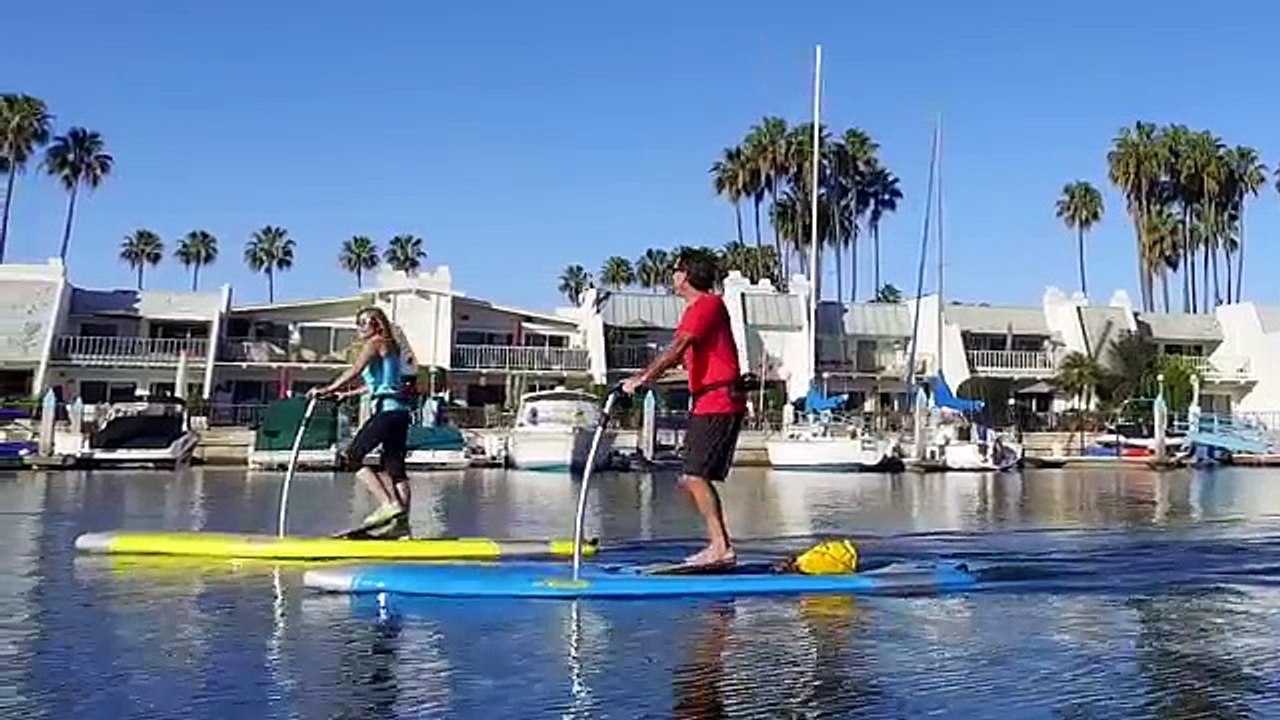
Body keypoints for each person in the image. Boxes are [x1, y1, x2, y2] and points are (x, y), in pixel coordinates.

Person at [622, 252, 746, 568]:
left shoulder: (707, 306)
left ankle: (721, 547)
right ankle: (719, 544)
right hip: (707, 399)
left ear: (686, 275)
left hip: (719, 399)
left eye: (675, 271)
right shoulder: (697, 311)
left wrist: (643, 377)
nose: (672, 276)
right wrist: (647, 380)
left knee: (693, 475)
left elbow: (676, 348)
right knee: (690, 476)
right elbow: (682, 360)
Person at [307, 306, 413, 538]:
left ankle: (388, 505)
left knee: (353, 456)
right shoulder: (391, 345)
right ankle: (402, 527)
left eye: (364, 322)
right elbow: (375, 384)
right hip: (399, 413)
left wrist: (327, 388)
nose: (359, 327)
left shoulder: (374, 343)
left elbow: (355, 370)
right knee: (395, 469)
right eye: (358, 323)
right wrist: (345, 395)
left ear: (376, 324)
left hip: (386, 412)